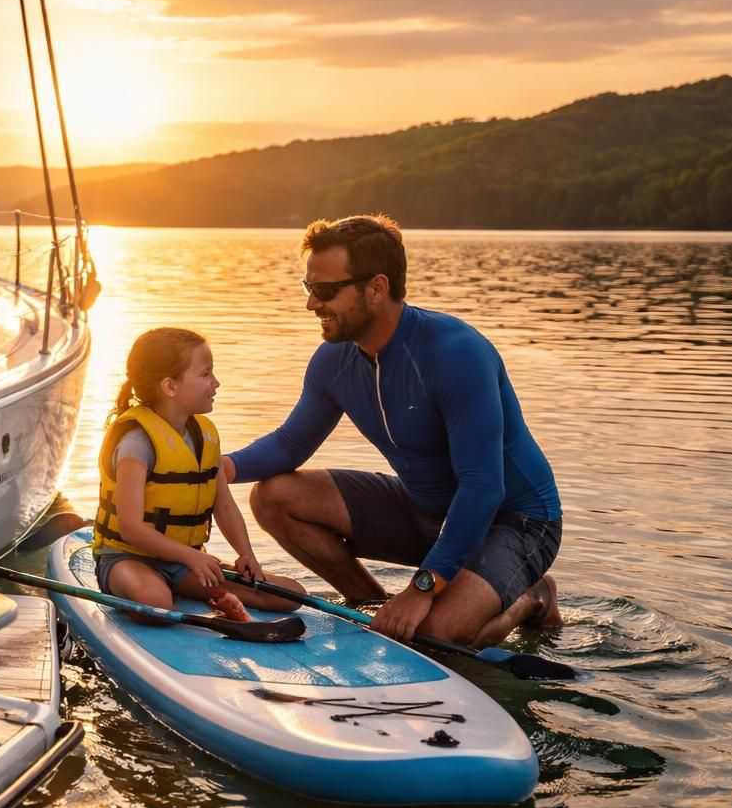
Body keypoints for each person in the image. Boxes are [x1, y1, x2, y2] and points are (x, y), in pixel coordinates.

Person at [225, 214, 563, 651]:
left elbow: (483, 487)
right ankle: (370, 602)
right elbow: (291, 444)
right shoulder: (335, 360)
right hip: (428, 510)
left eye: (325, 292)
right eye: (308, 289)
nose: (312, 305)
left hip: (515, 519)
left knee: (434, 638)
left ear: (377, 288)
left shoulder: (456, 353)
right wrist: (218, 468)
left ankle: (531, 597)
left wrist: (421, 589)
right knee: (273, 496)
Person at [92, 327, 304, 620]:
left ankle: (204, 592)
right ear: (170, 386)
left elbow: (224, 505)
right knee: (156, 602)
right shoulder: (136, 443)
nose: (216, 383)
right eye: (205, 374)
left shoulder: (205, 437)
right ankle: (175, 593)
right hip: (127, 559)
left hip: (181, 563)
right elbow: (130, 527)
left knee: (290, 595)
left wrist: (247, 555)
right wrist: (191, 556)